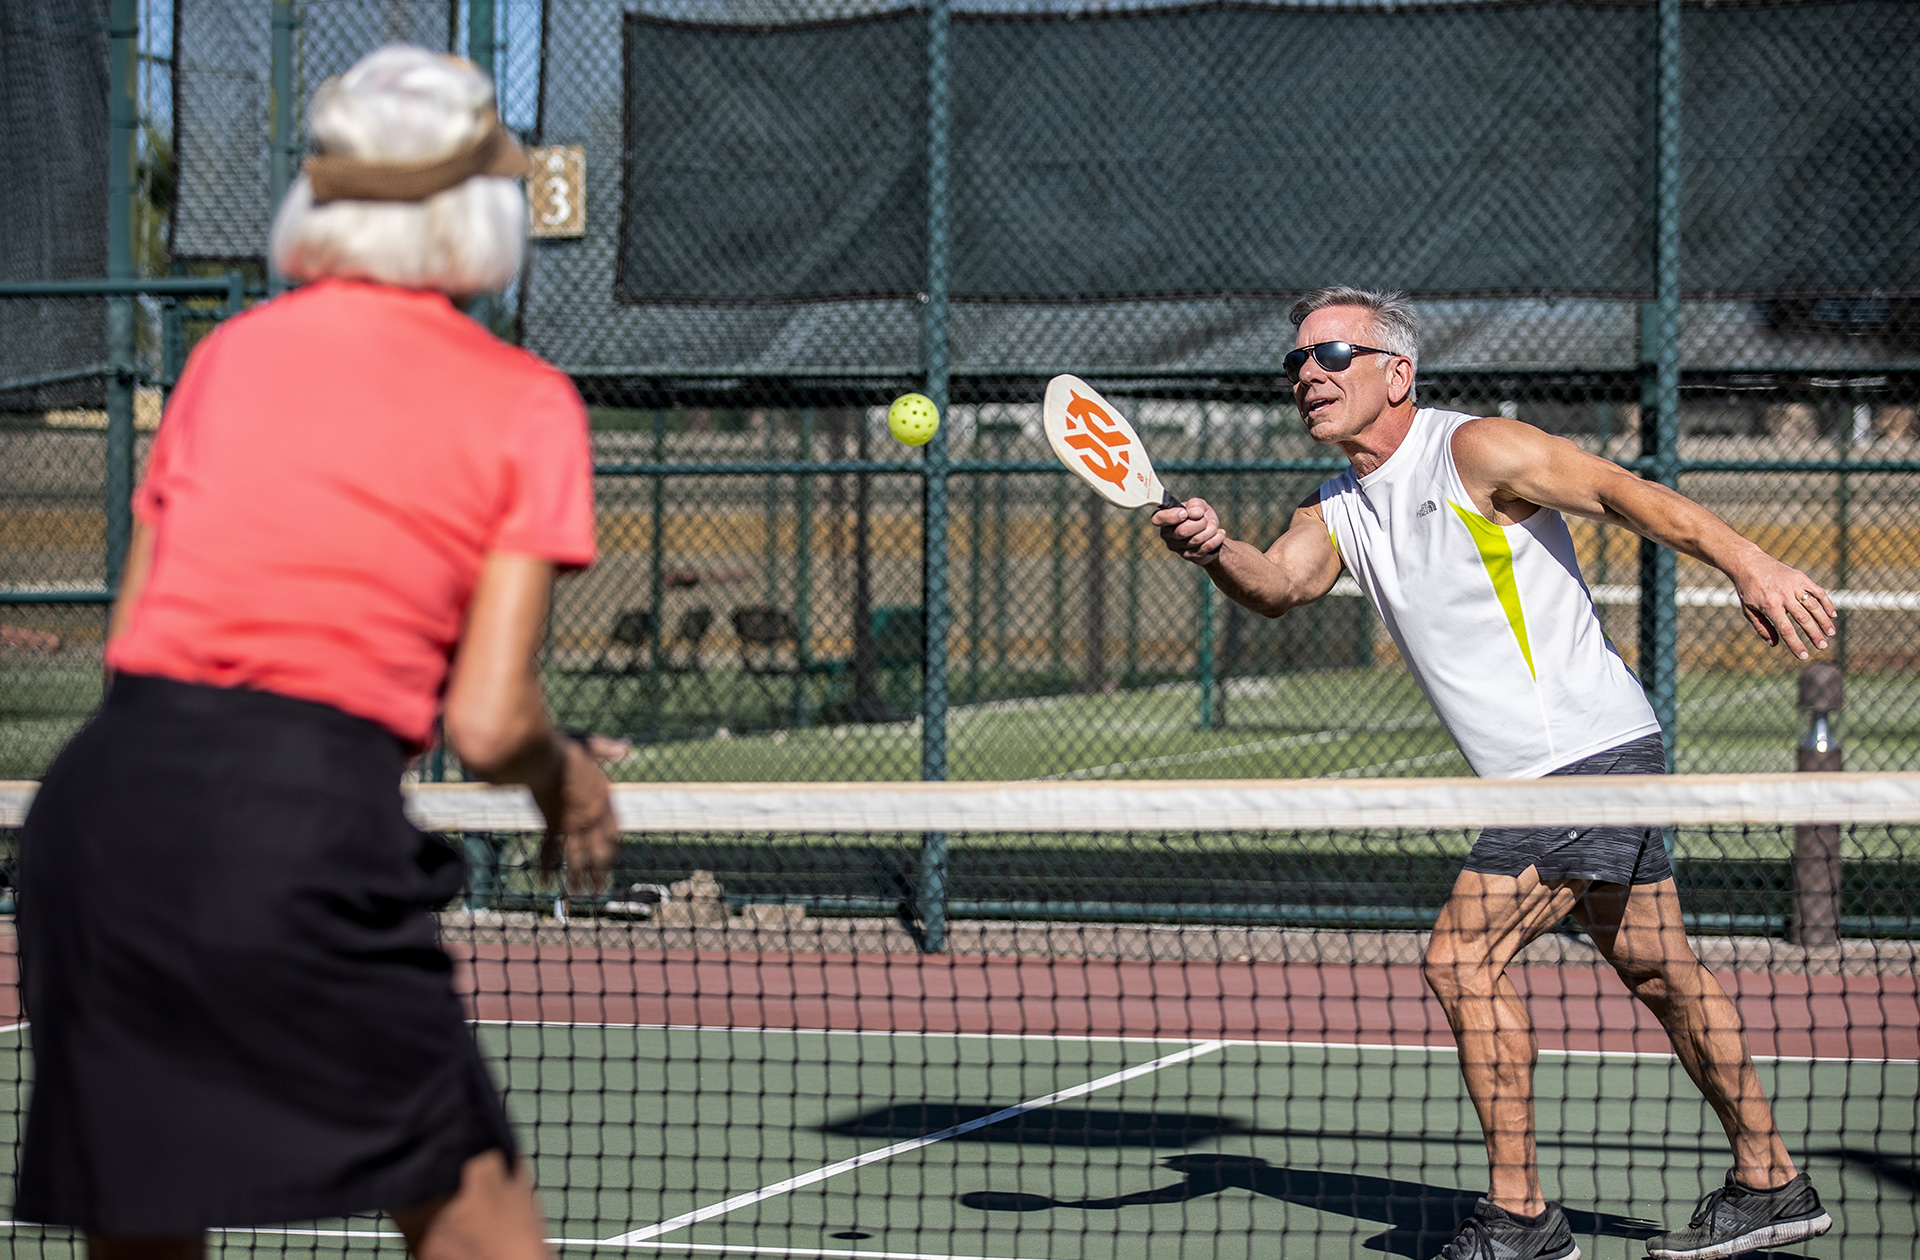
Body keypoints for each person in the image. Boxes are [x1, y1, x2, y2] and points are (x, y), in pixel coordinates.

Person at [14, 46, 618, 1260]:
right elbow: (490, 722)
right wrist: (574, 785)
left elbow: (132, 646)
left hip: (101, 817)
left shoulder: (225, 359)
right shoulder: (526, 402)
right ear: (485, 209)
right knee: (483, 1233)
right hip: (301, 833)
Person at [1155, 287, 1837, 1260]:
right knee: (1662, 972)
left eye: (1333, 354)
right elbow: (1280, 585)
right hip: (1570, 766)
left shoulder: (1475, 449)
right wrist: (1218, 550)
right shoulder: (1336, 504)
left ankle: (1521, 1218)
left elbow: (1619, 491)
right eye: (1296, 361)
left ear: (1398, 373)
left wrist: (1747, 561)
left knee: (1460, 960)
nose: (1308, 374)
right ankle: (1772, 1183)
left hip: (1578, 757)